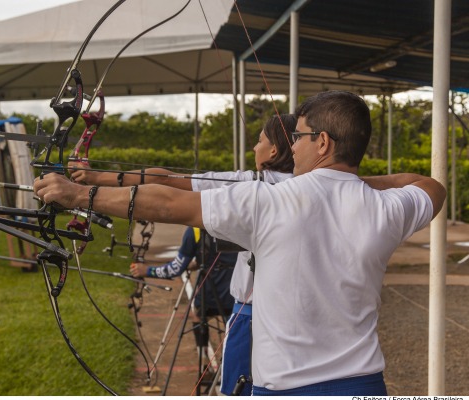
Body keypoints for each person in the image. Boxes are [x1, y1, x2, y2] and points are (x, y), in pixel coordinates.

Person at [34, 90, 446, 396]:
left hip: (285, 388)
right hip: (364, 386)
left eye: (299, 136)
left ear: (323, 143)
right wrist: (351, 180)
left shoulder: (267, 200)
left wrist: (77, 196)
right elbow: (430, 187)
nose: (293, 146)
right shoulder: (388, 208)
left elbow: (169, 201)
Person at [70, 114, 297, 395]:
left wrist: (93, 179)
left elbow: (166, 182)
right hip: (300, 317)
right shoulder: (321, 188)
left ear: (274, 150)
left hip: (251, 316)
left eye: (260, 140)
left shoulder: (250, 186)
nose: (254, 147)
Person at [131, 226, 236, 362]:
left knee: (197, 316)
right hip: (239, 293)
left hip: (211, 293)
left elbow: (175, 269)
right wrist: (199, 262)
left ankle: (204, 362)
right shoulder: (239, 220)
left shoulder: (196, 230)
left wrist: (147, 271)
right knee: (235, 329)